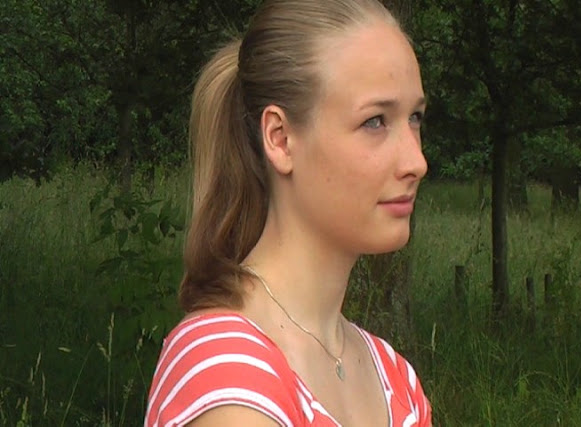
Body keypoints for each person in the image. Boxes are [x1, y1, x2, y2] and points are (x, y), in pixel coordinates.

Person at [144, 0, 431, 425]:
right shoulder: (228, 376)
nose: (416, 162)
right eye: (375, 121)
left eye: (415, 118)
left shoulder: (395, 380)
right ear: (280, 138)